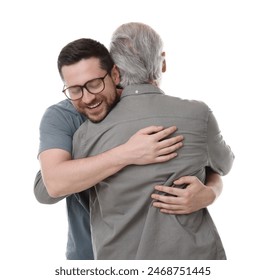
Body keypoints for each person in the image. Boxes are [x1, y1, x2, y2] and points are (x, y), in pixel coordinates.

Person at [34, 37, 224, 260]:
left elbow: (208, 165)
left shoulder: (145, 106)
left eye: (95, 84)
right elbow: (50, 187)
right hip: (91, 254)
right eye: (75, 90)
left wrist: (211, 191)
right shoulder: (61, 117)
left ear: (115, 75)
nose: (88, 97)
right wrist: (127, 153)